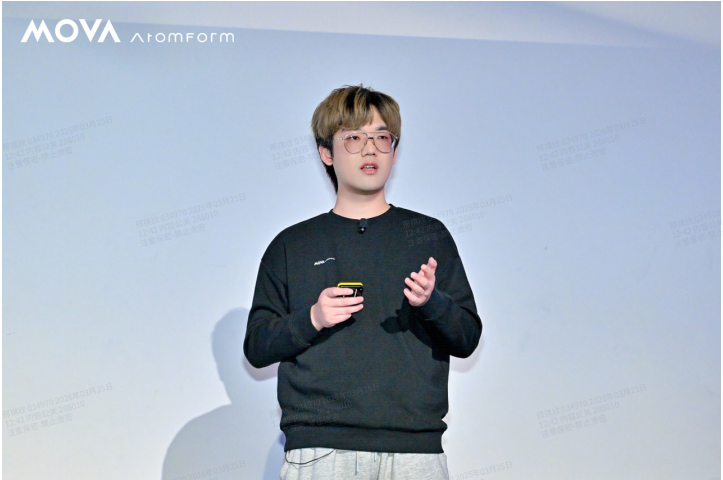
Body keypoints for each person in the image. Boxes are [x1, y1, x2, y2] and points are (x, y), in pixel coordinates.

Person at [244, 84, 482, 480]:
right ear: (326, 152)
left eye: (381, 138)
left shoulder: (428, 235)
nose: (370, 150)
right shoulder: (292, 244)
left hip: (414, 453)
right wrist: (313, 318)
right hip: (321, 452)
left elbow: (468, 337)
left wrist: (432, 302)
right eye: (354, 138)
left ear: (394, 150)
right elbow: (257, 346)